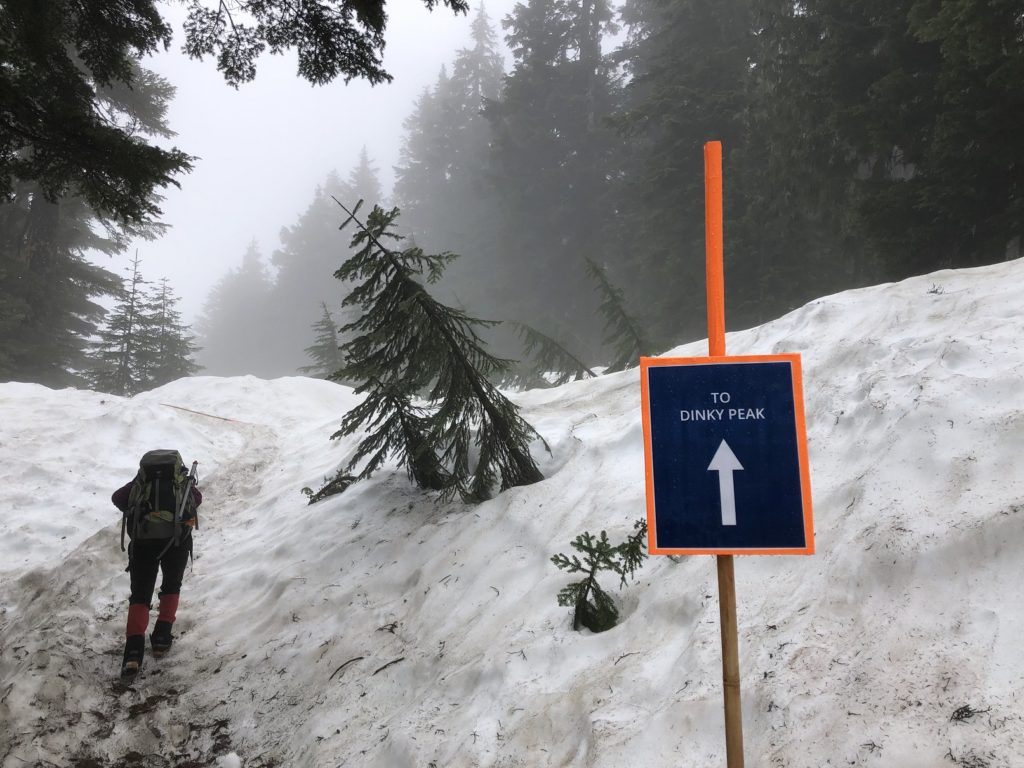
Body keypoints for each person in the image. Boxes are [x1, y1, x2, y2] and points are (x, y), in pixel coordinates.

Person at [111, 450, 202, 680]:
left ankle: (133, 651)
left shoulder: (141, 482)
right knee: (171, 586)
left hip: (143, 543)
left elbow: (118, 498)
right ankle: (162, 637)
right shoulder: (181, 482)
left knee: (140, 594)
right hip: (177, 542)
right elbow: (197, 500)